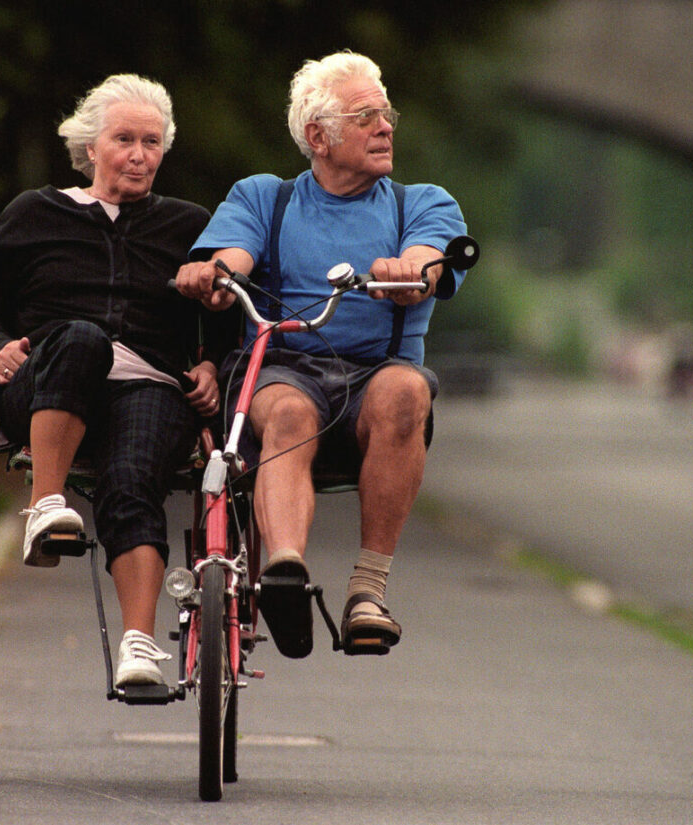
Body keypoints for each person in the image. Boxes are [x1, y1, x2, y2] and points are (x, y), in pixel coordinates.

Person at [175, 51, 469, 659]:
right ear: (318, 136)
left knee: (408, 390)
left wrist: (409, 271)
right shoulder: (264, 197)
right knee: (285, 412)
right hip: (283, 369)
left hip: (376, 376)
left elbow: (427, 262)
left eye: (386, 113)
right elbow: (233, 256)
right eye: (366, 116)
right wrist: (214, 273)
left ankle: (368, 591)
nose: (386, 126)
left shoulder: (422, 202)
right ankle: (284, 571)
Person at [0, 74, 234, 687]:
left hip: (150, 388)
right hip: (48, 376)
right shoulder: (35, 212)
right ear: (91, 147)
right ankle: (44, 507)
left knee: (132, 483)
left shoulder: (189, 225)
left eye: (152, 142)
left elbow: (229, 317)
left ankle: (139, 646)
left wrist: (212, 365)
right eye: (124, 139)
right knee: (82, 338)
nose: (138, 154)